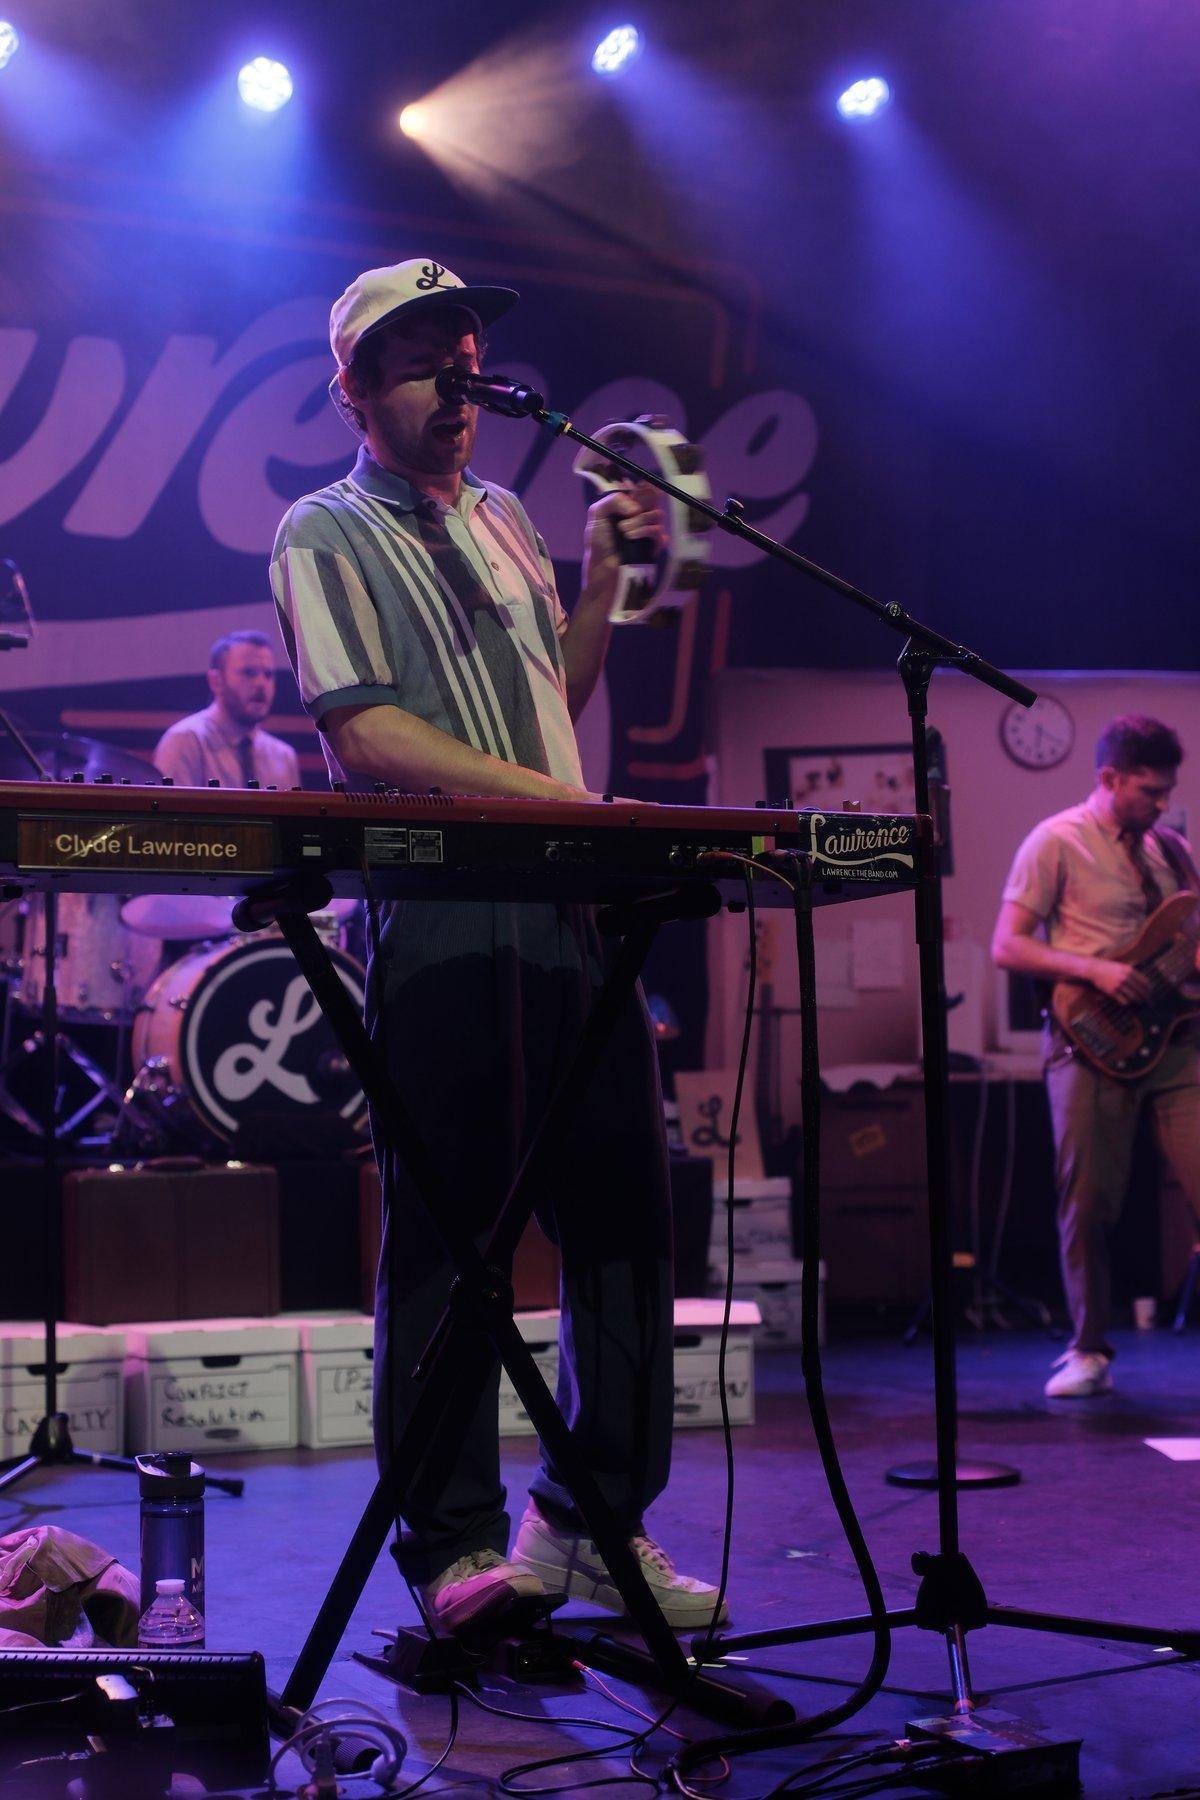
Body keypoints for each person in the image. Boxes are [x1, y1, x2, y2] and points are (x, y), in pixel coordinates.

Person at [269, 256, 725, 1634]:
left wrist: (595, 588)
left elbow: (556, 701)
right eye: (420, 357)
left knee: (629, 1226)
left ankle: (591, 1521)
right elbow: (368, 737)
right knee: (451, 1237)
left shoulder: (519, 517)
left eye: (465, 351)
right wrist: (569, 802)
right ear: (353, 387)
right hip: (448, 915)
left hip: (567, 907)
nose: (457, 375)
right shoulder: (323, 530)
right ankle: (455, 1549)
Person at [992, 714, 1200, 1397]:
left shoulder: (1173, 850)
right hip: (1092, 1042)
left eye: (1167, 790)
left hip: (1175, 1045)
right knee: (1088, 1202)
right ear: (1108, 779)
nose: (1161, 803)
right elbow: (1009, 945)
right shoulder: (1055, 841)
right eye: (1148, 790)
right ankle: (1088, 1349)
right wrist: (1096, 970)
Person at [153, 630, 300, 790]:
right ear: (216, 681)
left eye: (268, 674)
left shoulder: (283, 756)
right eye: (249, 673)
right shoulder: (185, 741)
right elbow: (173, 813)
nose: (261, 683)